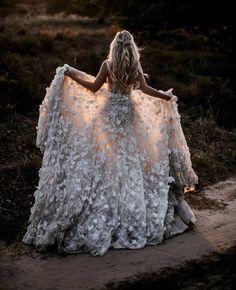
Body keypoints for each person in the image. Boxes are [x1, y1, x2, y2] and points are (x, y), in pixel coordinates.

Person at [22, 30, 198, 256]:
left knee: (105, 160)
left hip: (108, 116)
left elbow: (94, 88)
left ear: (114, 46)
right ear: (132, 48)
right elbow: (145, 90)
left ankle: (105, 204)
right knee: (131, 160)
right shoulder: (134, 66)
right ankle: (131, 207)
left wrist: (71, 74)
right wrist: (166, 96)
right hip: (128, 115)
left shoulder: (108, 64)